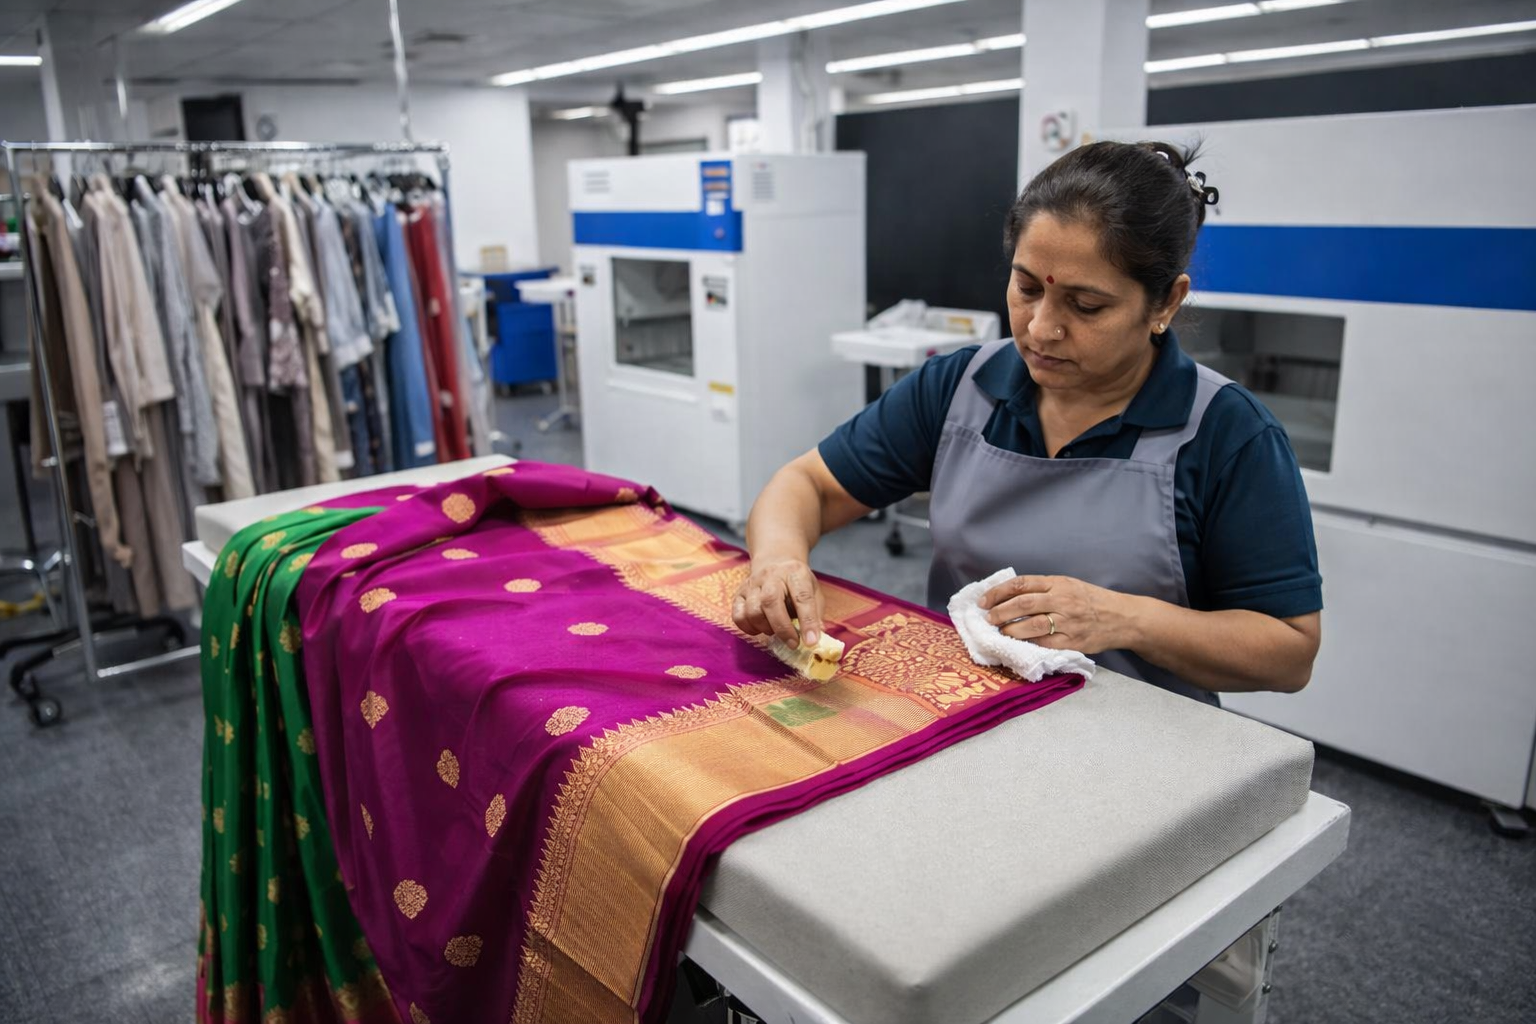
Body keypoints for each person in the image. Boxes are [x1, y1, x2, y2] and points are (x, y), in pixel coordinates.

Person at [732, 141, 1322, 704]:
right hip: (956, 715)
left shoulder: (1228, 435)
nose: (1041, 328)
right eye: (1026, 287)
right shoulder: (960, 388)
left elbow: (1289, 652)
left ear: (1165, 302)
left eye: (1086, 306)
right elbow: (808, 485)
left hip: (1137, 743)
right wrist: (779, 559)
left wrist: (1126, 619)